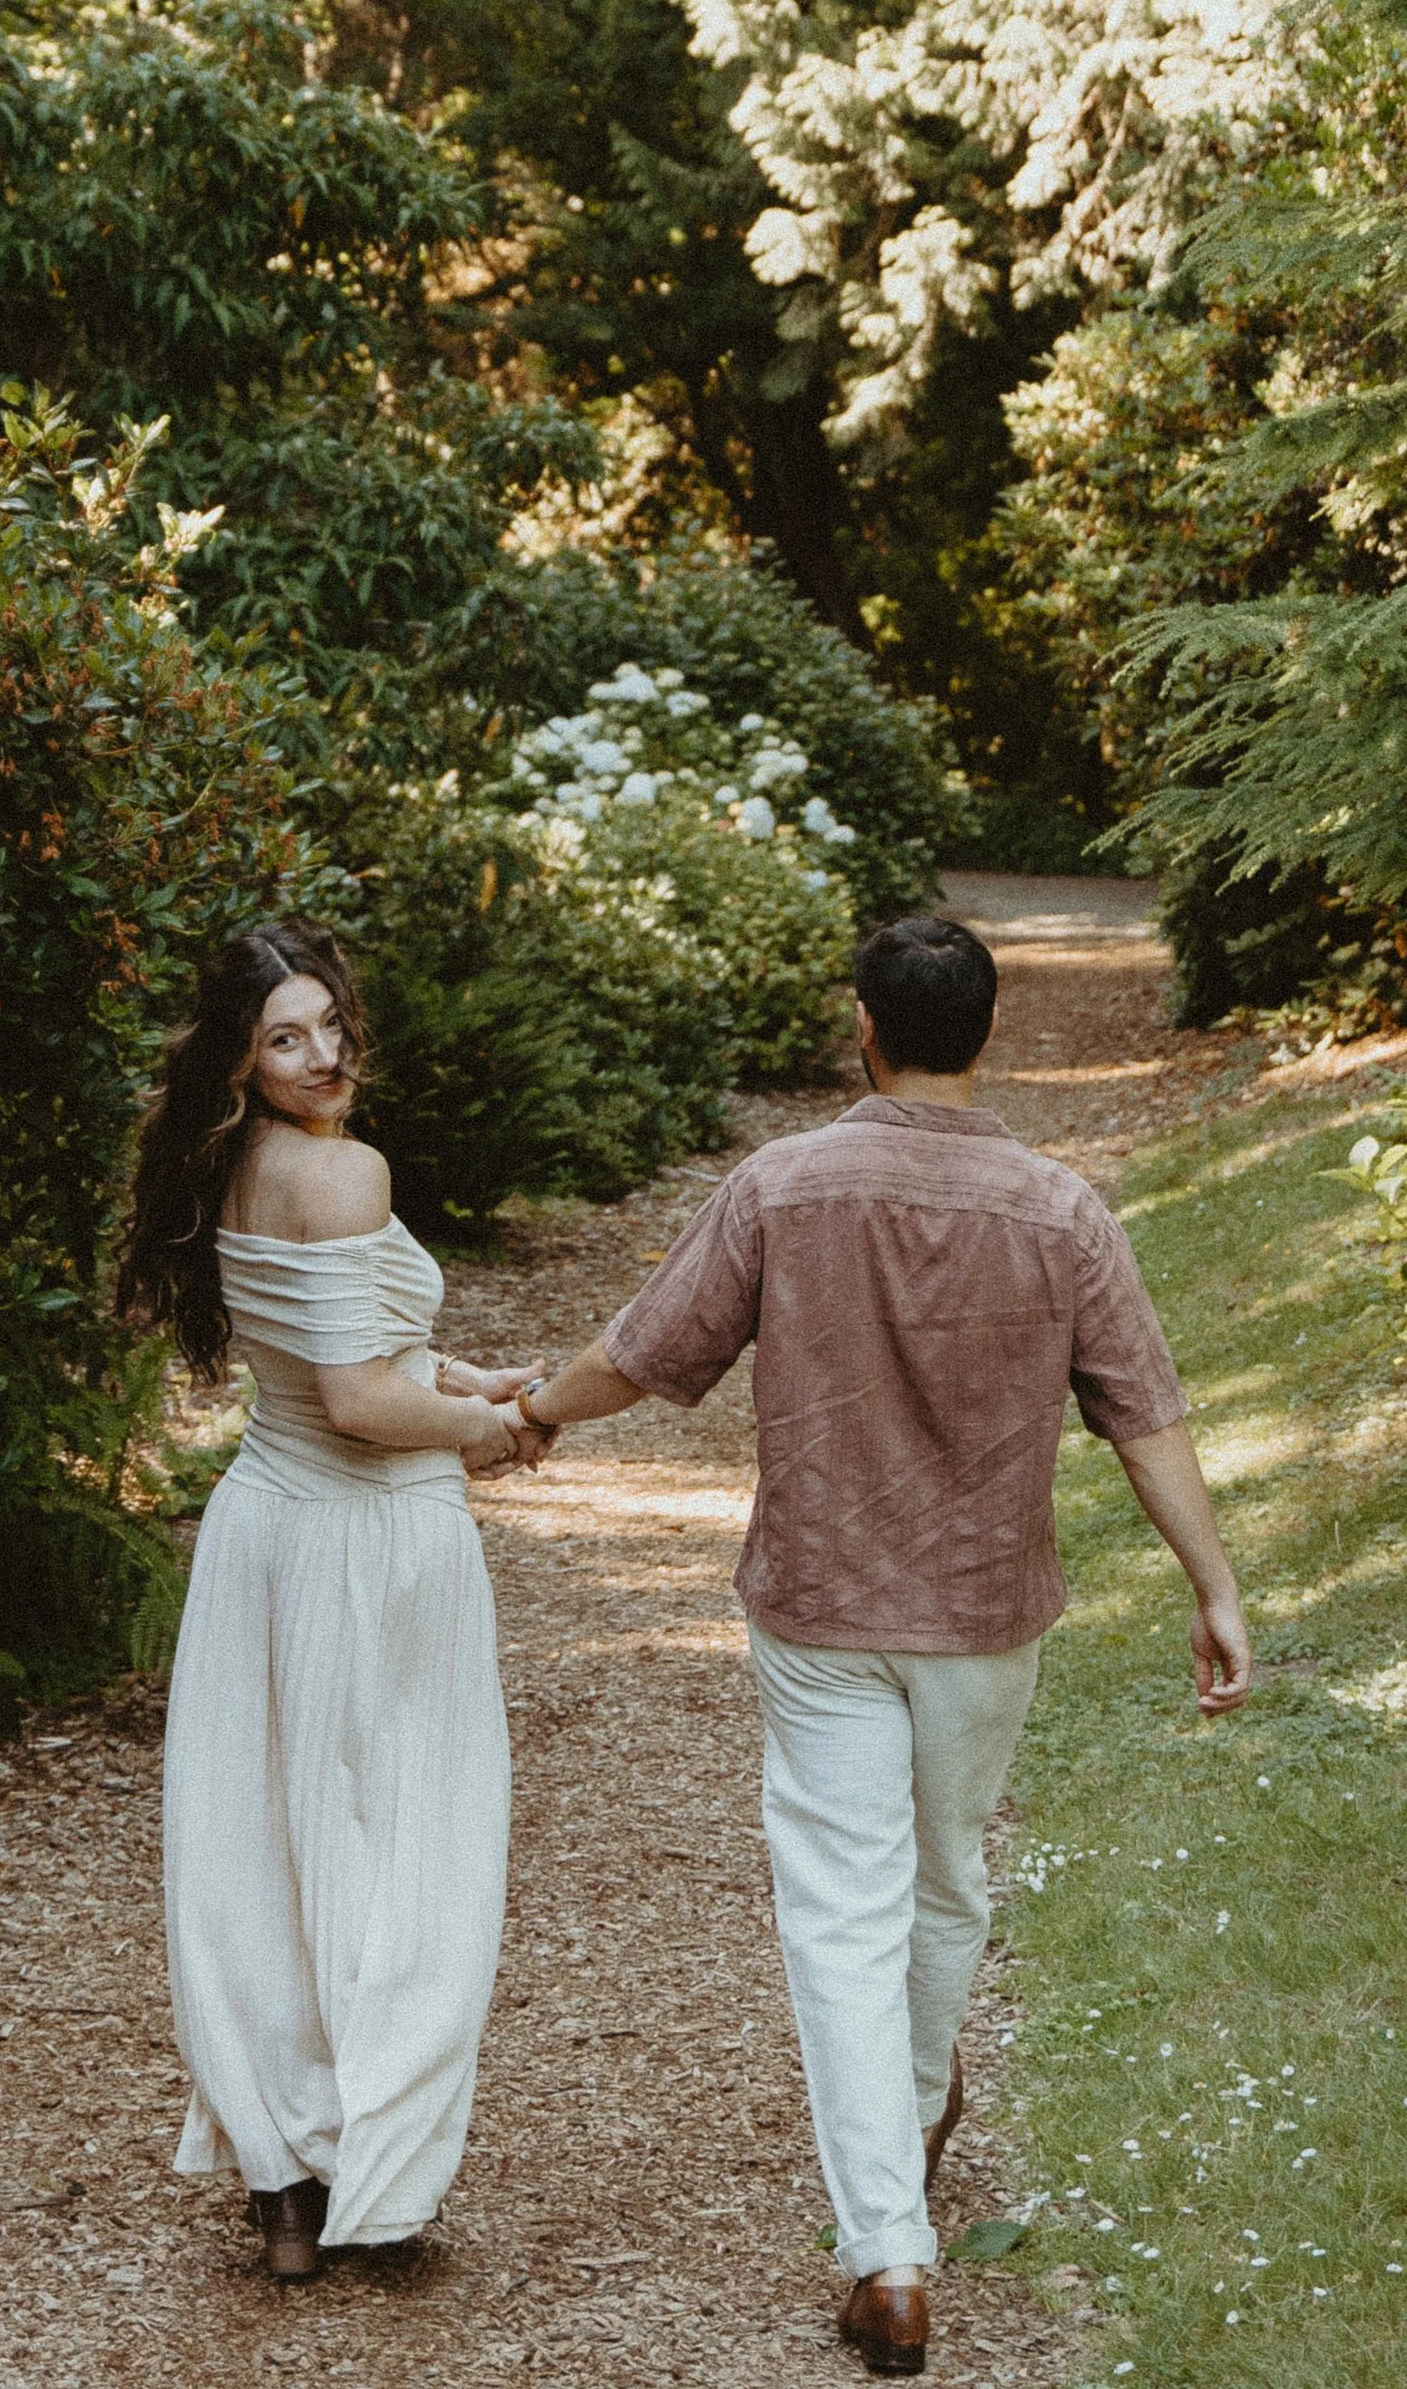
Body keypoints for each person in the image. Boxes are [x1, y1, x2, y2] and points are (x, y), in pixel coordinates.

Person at [508, 912, 1251, 2379]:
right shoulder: (1060, 1209)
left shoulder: (784, 1184)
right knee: (946, 1876)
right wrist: (1213, 1583)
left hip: (823, 1606)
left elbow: (648, 1349)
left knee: (842, 1908)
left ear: (865, 1024)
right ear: (987, 1031)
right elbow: (1146, 1413)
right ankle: (904, 2137)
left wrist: (533, 1409)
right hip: (982, 1613)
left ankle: (892, 2252)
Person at [118, 920, 546, 2284]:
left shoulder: (236, 1161)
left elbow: (355, 1344)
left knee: (262, 1854)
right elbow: (364, 1405)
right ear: (242, 1060)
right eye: (284, 1037)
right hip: (371, 1537)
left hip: (263, 1532)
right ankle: (383, 2175)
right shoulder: (347, 1170)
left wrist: (469, 1382)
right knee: (416, 1844)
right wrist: (495, 1432)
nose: (322, 1054)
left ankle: (285, 2182)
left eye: (328, 1025)